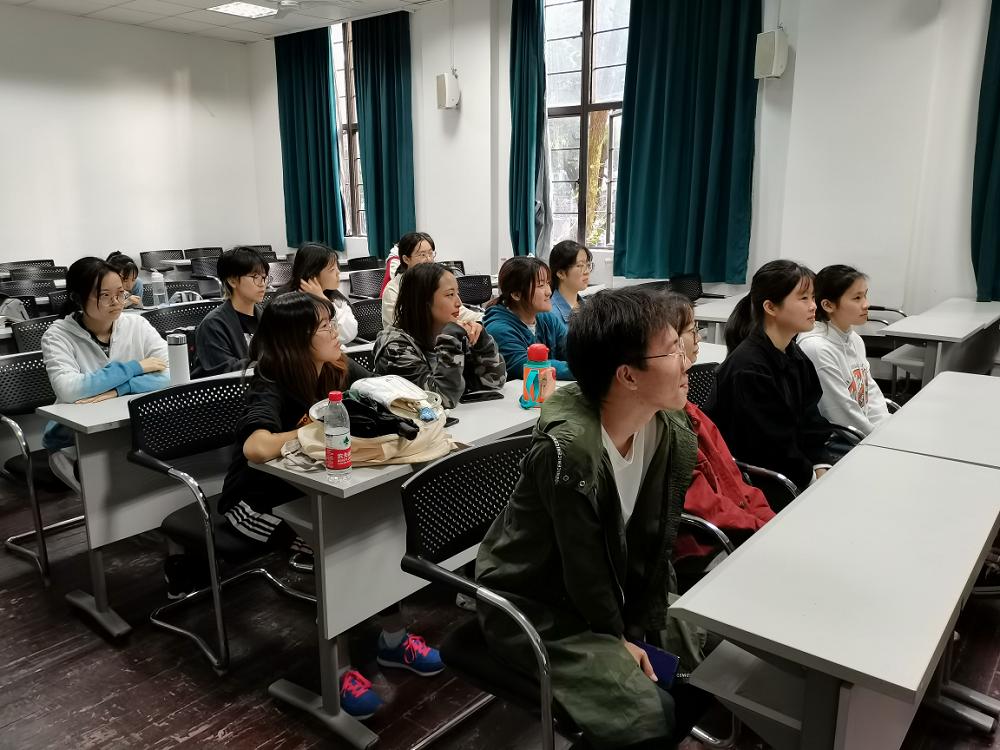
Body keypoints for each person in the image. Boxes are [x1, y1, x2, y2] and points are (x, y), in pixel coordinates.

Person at [173, 292, 442, 718]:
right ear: (296, 340)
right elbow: (257, 447)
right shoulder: (271, 380)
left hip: (315, 493)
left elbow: (379, 391)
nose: (336, 333)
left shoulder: (336, 367)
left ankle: (393, 641)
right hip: (256, 505)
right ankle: (338, 672)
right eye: (325, 327)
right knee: (338, 553)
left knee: (377, 536)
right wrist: (317, 431)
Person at [476, 286, 711, 750]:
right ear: (628, 375)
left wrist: (641, 621)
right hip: (539, 602)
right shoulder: (569, 454)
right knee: (647, 713)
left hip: (616, 589)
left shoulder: (665, 427)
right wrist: (616, 638)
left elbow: (654, 536)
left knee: (703, 658)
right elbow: (581, 568)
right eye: (672, 350)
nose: (687, 361)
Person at [659, 292, 775, 587]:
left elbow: (734, 479)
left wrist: (768, 520)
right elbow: (705, 505)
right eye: (691, 330)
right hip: (708, 545)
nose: (698, 338)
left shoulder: (692, 412)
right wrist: (761, 526)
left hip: (736, 528)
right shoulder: (664, 424)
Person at [705, 260, 836, 494]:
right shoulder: (749, 369)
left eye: (813, 297)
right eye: (803, 298)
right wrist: (812, 480)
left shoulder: (794, 353)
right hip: (763, 482)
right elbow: (770, 448)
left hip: (797, 471)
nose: (813, 306)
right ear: (771, 307)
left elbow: (810, 418)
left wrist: (821, 463)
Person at [40, 257, 169, 491]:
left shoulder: (137, 325)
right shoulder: (57, 336)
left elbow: (172, 372)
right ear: (77, 298)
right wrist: (136, 368)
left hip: (129, 429)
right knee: (114, 494)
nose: (117, 302)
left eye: (120, 293)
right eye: (105, 295)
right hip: (73, 441)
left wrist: (121, 389)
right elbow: (69, 389)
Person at [373, 262, 506, 408]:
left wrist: (482, 342)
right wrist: (449, 341)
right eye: (450, 295)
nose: (459, 303)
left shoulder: (451, 333)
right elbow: (441, 400)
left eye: (457, 294)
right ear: (423, 301)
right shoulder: (395, 347)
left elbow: (493, 382)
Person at [797, 264, 890, 435]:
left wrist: (886, 428)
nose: (866, 304)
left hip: (864, 434)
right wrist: (878, 440)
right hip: (836, 439)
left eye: (865, 295)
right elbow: (840, 412)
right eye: (857, 298)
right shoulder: (816, 348)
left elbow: (870, 392)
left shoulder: (854, 339)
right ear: (828, 305)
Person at [482, 256, 572, 381]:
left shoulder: (547, 318)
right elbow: (528, 367)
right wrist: (585, 369)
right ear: (516, 294)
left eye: (548, 283)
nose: (549, 292)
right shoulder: (498, 329)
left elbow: (572, 348)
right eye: (541, 285)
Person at [192, 246, 268, 378]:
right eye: (255, 277)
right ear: (232, 280)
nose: (263, 284)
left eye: (264, 277)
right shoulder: (212, 325)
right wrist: (272, 366)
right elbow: (225, 369)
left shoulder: (267, 316)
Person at [380, 232, 482, 328]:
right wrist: (457, 325)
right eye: (422, 255)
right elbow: (401, 325)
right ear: (406, 259)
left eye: (430, 253)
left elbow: (461, 312)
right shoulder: (393, 290)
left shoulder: (437, 283)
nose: (429, 259)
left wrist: (483, 320)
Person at [279, 241, 358, 344]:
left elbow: (351, 333)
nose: (338, 272)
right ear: (313, 275)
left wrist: (323, 300)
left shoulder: (333, 295)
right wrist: (323, 302)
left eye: (337, 267)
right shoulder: (290, 303)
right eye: (332, 269)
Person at [548, 239, 592, 323]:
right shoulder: (549, 314)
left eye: (588, 265)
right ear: (561, 273)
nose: (587, 272)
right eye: (580, 265)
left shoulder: (590, 308)